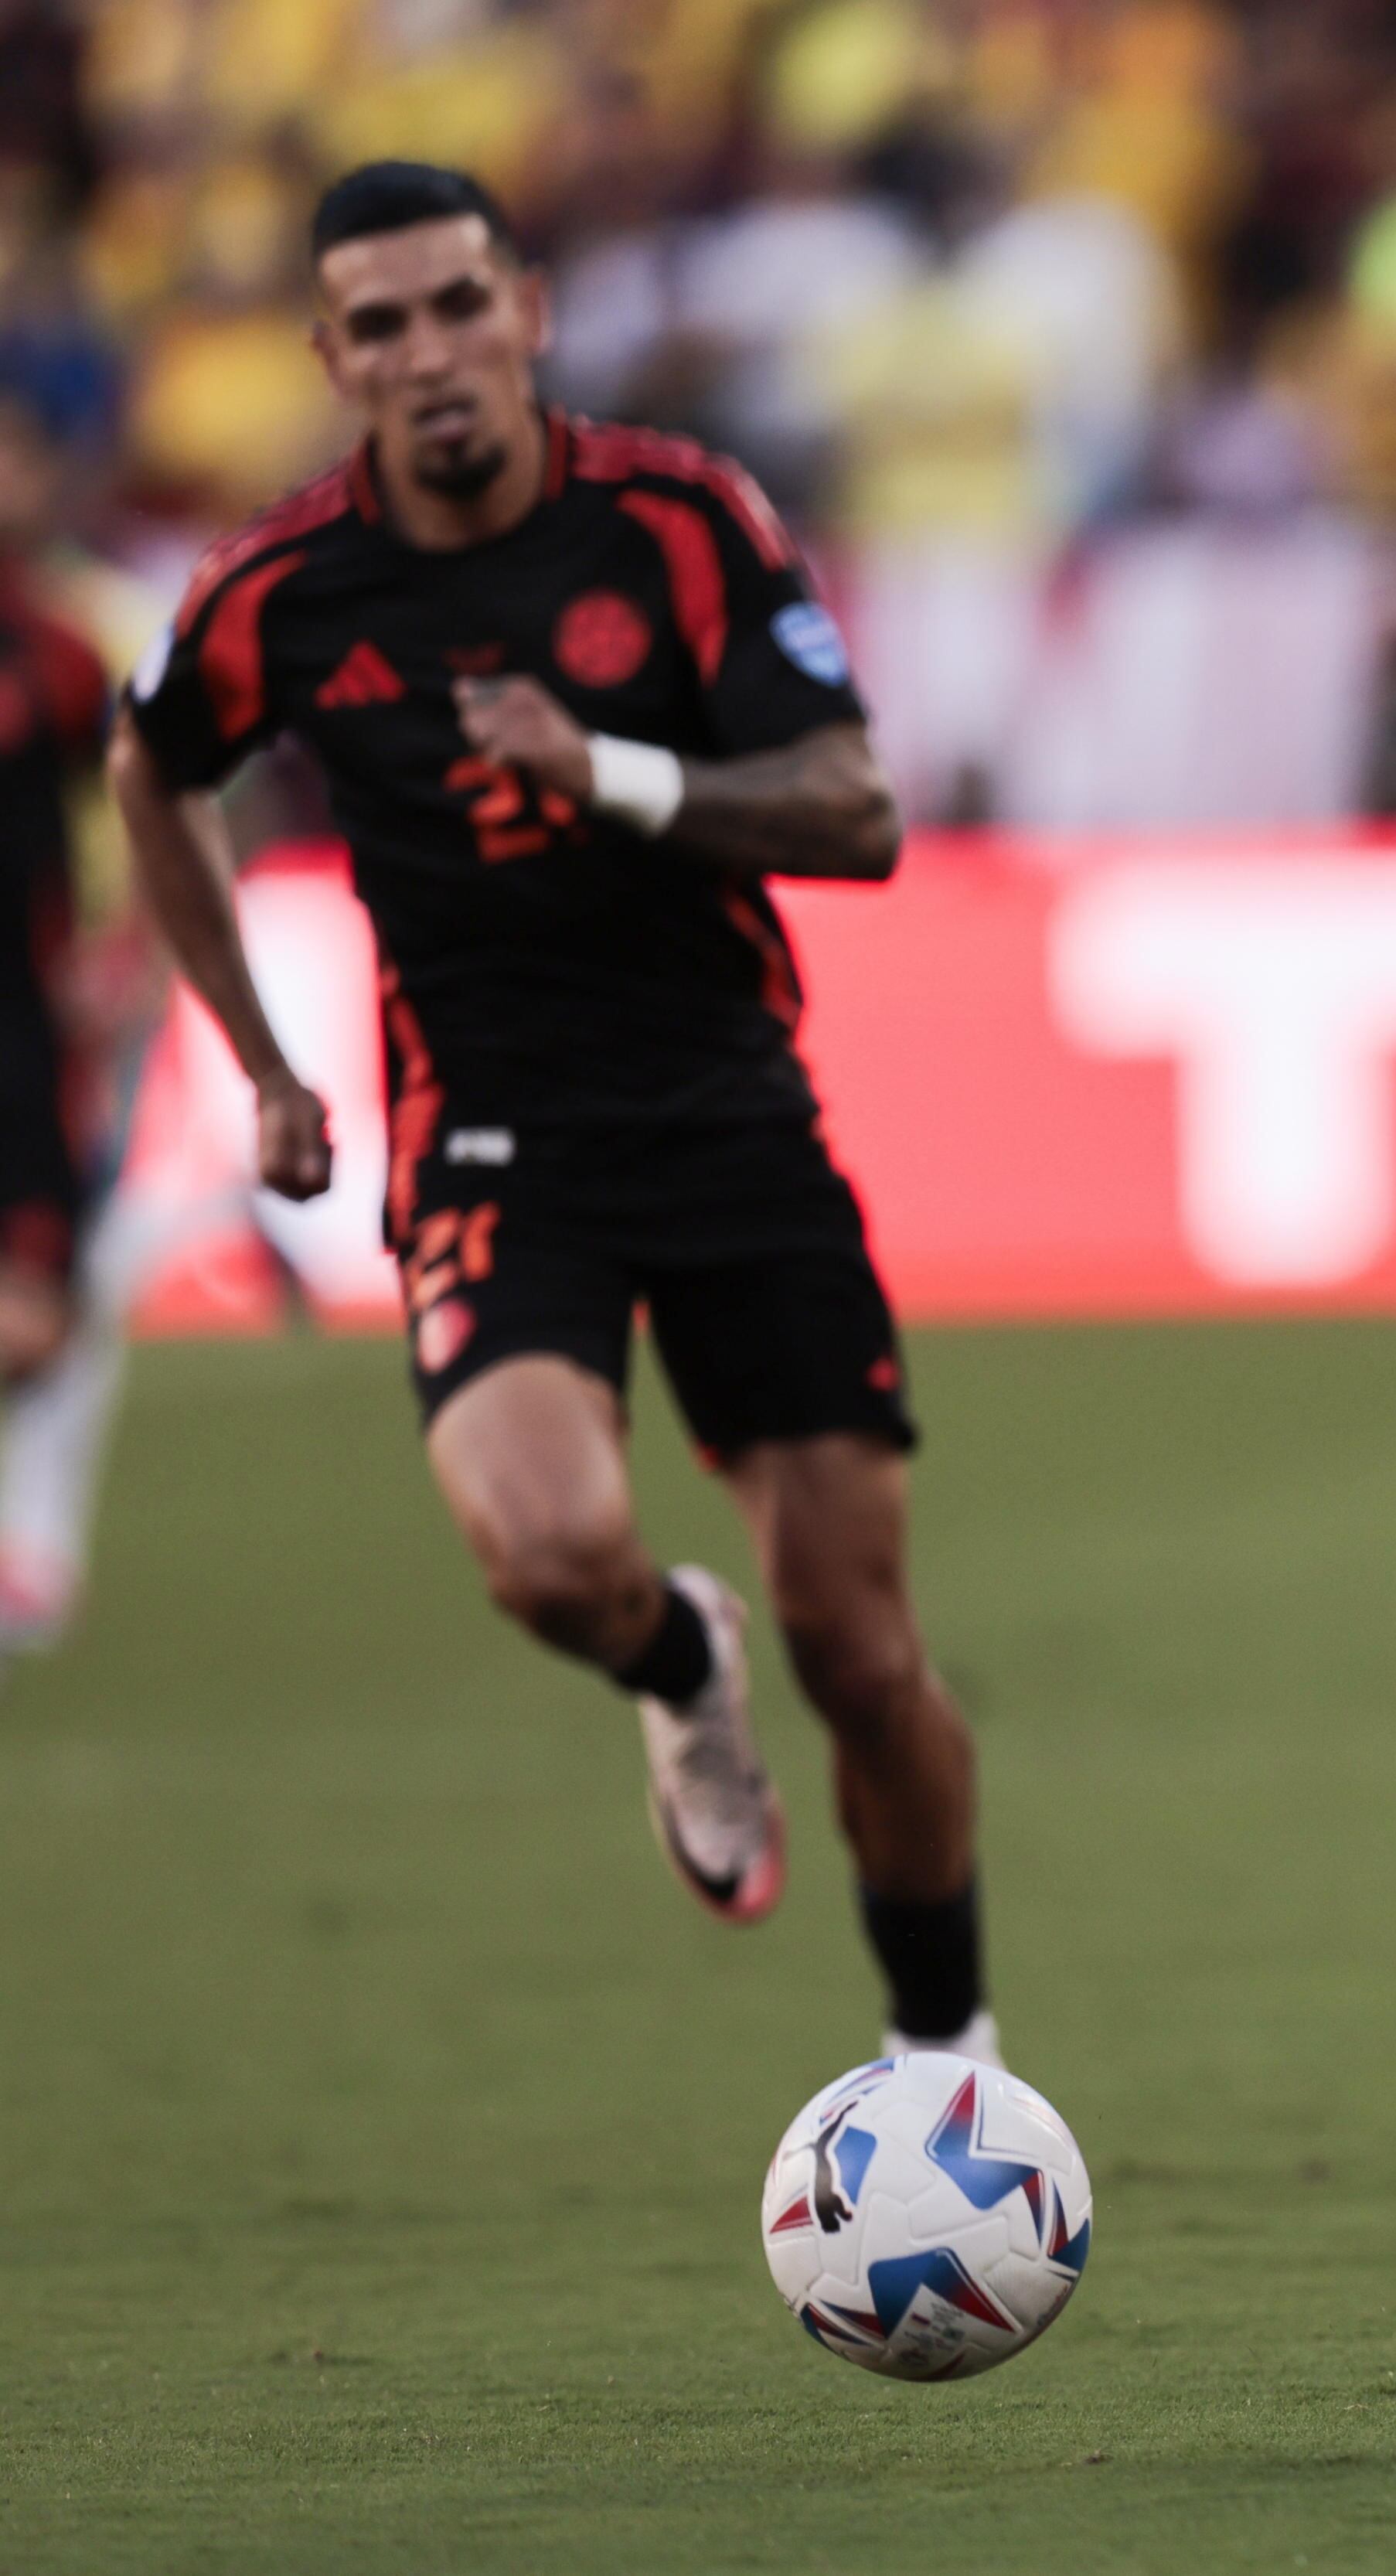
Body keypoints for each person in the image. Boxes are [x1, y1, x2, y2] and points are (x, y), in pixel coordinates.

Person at [108, 163, 997, 2064]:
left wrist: (612, 772)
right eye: (380, 324)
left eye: (456, 305)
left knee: (861, 1645)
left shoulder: (675, 522)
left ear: (528, 308)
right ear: (331, 360)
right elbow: (152, 770)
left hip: (731, 1114)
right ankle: (676, 1657)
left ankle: (948, 2062)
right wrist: (260, 1059)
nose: (428, 354)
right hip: (498, 1140)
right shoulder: (284, 592)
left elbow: (858, 812)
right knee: (543, 1557)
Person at [0, 380, 117, 1647]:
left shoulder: (64, 653)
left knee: (35, 1327)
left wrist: (128, 949)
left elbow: (147, 804)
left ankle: (29, 1556)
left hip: (22, 1041)